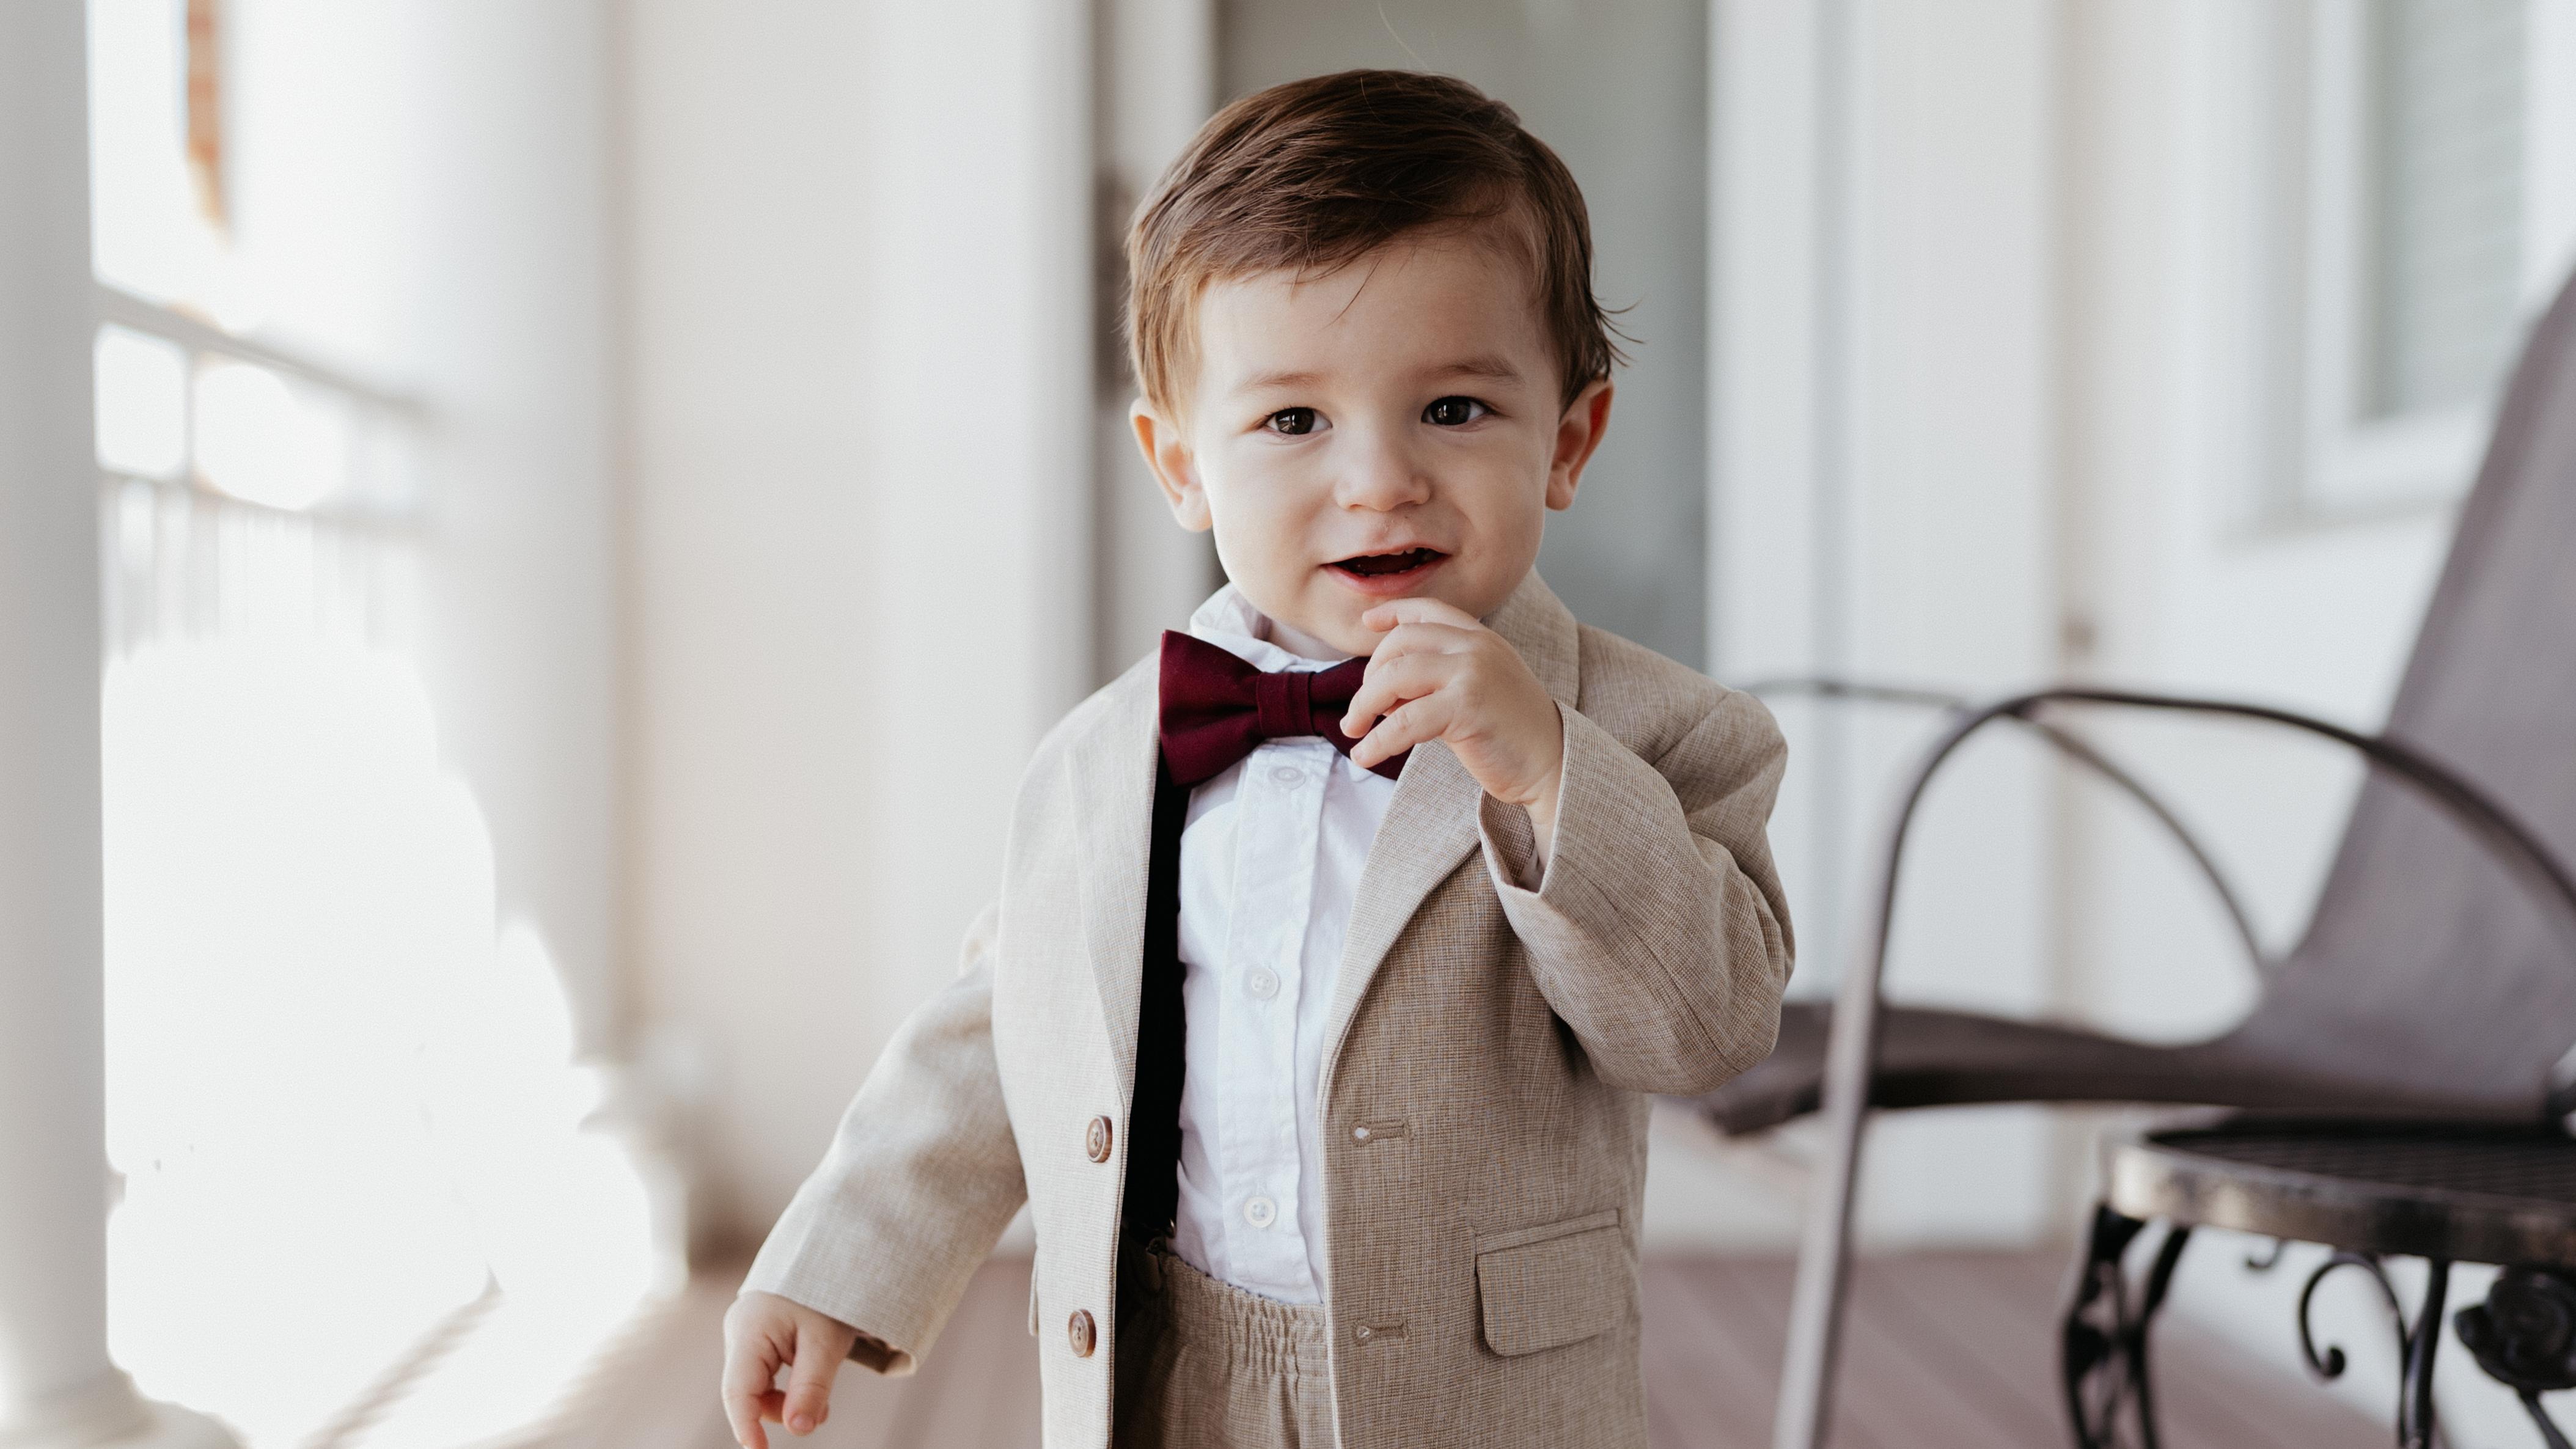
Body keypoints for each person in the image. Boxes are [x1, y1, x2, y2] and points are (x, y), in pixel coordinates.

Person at [719, 68, 1794, 1449]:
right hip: (1175, 1370)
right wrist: (836, 1262)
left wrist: (1543, 773)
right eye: (1294, 421)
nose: (1379, 480)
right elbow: (1007, 1023)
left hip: (1482, 1401)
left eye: (1452, 409)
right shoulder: (1112, 756)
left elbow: (1706, 1032)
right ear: (1181, 465)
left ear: (1567, 440)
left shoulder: (1658, 734)